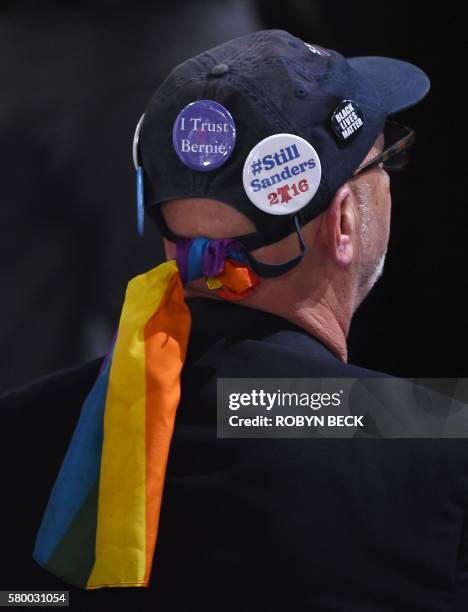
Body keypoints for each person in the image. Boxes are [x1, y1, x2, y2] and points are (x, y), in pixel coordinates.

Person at [1, 29, 467, 611]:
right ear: (343, 222)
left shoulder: (20, 430)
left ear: (173, 239)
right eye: (387, 159)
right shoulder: (436, 441)